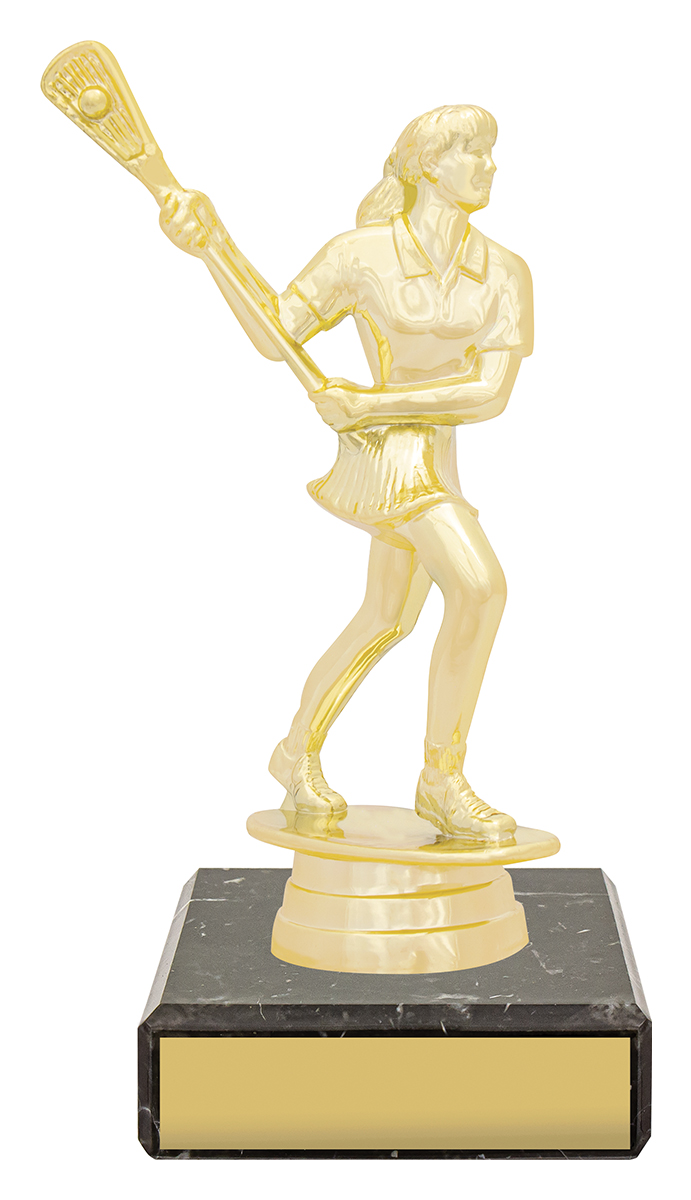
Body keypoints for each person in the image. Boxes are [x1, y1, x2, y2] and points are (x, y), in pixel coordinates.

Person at [160, 105, 533, 838]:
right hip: (393, 468)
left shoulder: (505, 271)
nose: (490, 165)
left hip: (431, 462)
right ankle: (441, 778)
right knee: (480, 587)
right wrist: (213, 248)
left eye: (491, 151)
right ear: (427, 163)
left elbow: (489, 394)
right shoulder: (359, 255)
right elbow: (278, 333)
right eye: (473, 150)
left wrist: (368, 404)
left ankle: (295, 750)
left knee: (385, 618)